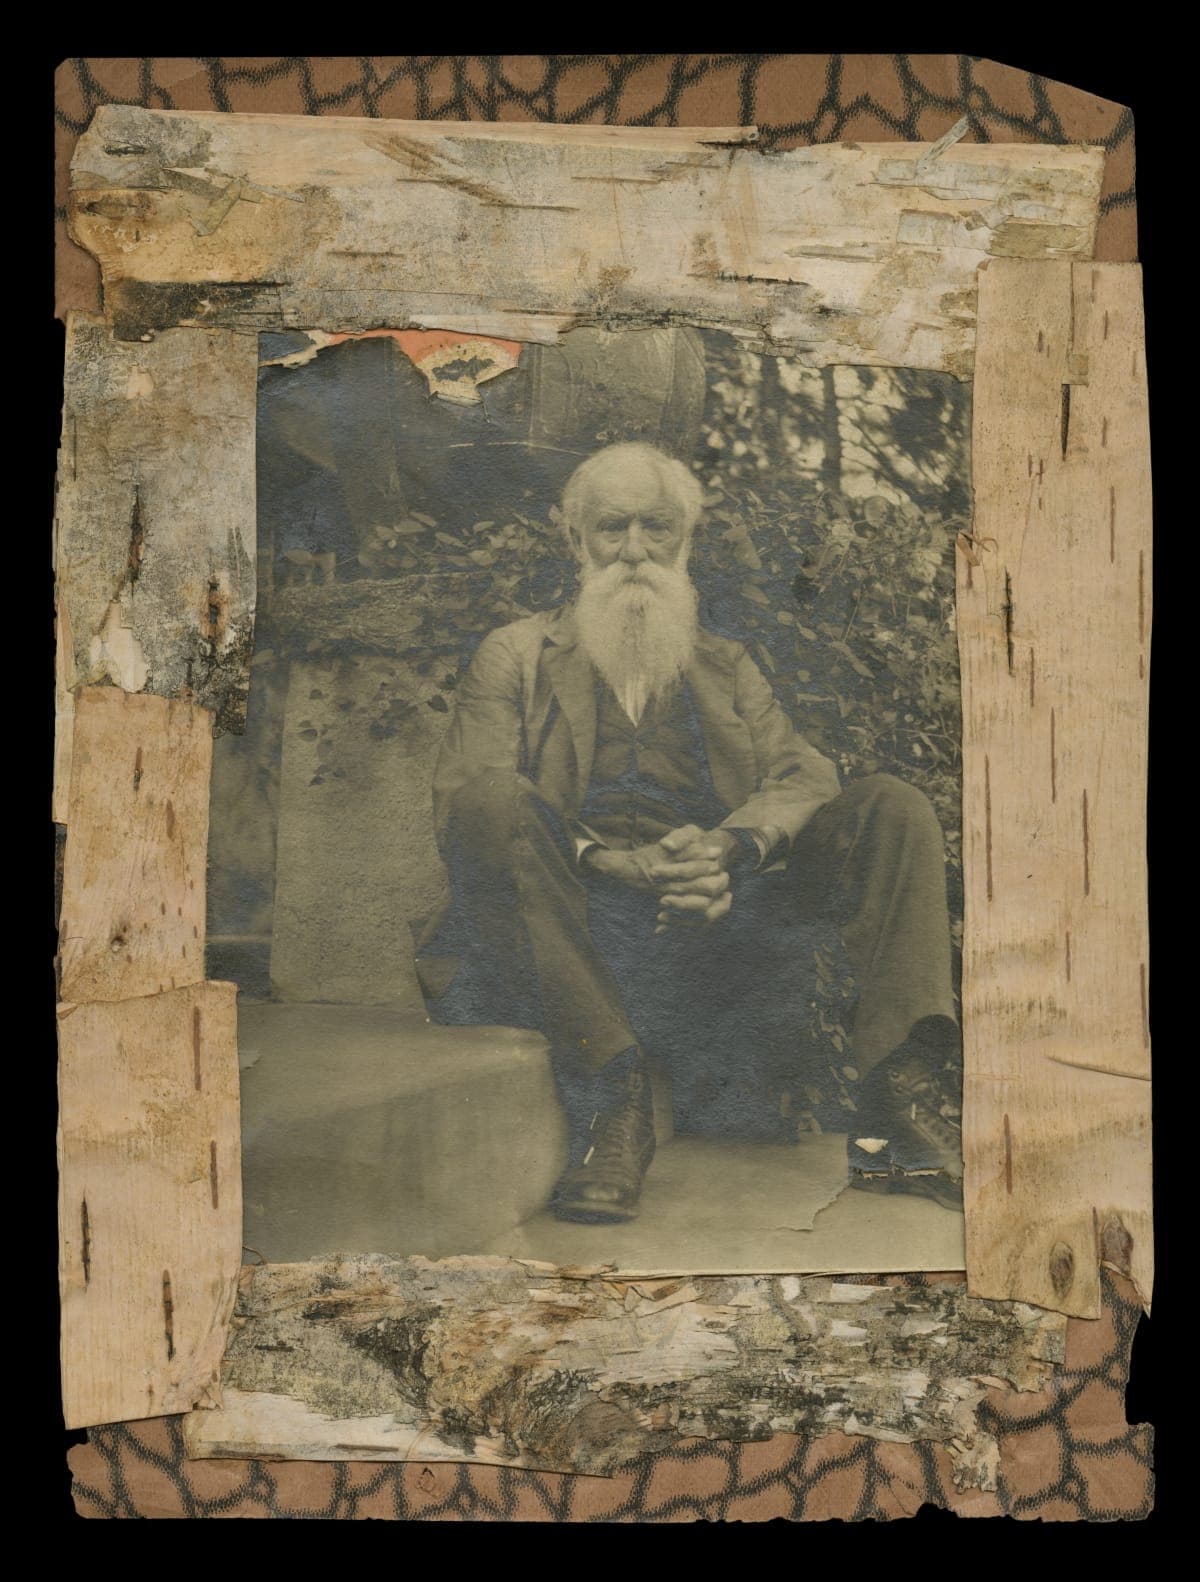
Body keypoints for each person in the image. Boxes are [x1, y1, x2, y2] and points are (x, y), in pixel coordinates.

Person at [420, 442, 963, 1225]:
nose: (634, 550)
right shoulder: (516, 655)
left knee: (891, 808)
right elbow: (466, 805)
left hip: (708, 942)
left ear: (686, 539)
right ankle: (613, 1101)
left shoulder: (725, 664)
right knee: (491, 798)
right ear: (574, 538)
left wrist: (726, 851)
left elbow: (804, 776)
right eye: (612, 528)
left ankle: (898, 1100)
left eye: (657, 528)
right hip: (573, 931)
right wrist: (608, 861)